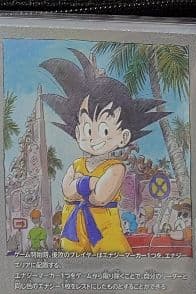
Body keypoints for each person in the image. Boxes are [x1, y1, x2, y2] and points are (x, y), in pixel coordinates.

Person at [40, 49, 169, 253]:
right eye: (86, 128)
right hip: (73, 233)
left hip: (105, 233)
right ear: (77, 130)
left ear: (123, 137)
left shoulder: (116, 167)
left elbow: (100, 197)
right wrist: (91, 184)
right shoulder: (77, 165)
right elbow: (67, 191)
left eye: (104, 130)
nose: (92, 137)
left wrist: (80, 185)